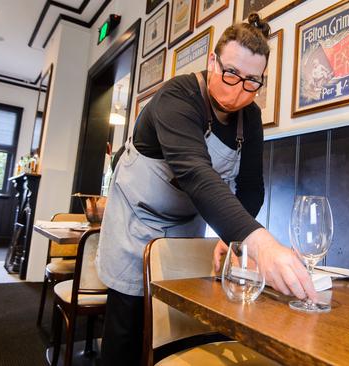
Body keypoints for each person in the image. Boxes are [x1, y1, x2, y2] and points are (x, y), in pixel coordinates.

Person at [96, 14, 316, 365]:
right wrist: (260, 243)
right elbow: (196, 173)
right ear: (213, 61)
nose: (238, 91)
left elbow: (250, 188)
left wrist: (232, 239)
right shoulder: (178, 96)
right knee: (129, 320)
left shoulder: (251, 117)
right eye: (230, 74)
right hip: (136, 218)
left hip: (186, 221)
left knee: (176, 322)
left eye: (252, 82)